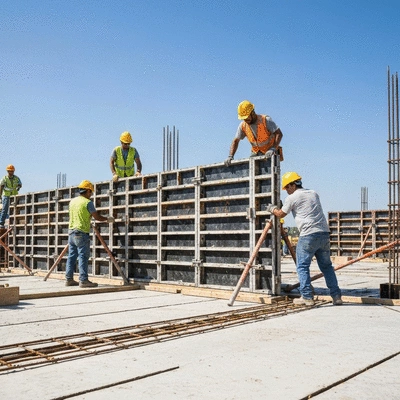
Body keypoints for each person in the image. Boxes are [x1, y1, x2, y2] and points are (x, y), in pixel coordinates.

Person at [267, 171, 342, 306]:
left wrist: (272, 209)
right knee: (327, 267)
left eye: (287, 188)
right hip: (324, 233)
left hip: (308, 235)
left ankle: (307, 297)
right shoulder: (313, 193)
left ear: (292, 185)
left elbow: (281, 214)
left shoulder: (292, 198)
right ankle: (336, 296)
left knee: (302, 266)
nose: (287, 191)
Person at [65, 180, 115, 288]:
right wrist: (107, 219)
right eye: (91, 192)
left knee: (71, 256)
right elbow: (96, 217)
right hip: (82, 232)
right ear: (87, 191)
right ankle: (83, 280)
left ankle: (69, 279)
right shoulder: (88, 202)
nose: (91, 194)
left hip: (71, 232)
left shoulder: (72, 201)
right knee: (83, 256)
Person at [225, 100, 283, 166]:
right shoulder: (243, 125)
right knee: (251, 171)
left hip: (270, 152)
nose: (245, 120)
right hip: (256, 152)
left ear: (252, 113)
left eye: (246, 117)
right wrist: (230, 156)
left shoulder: (265, 120)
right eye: (243, 118)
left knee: (271, 173)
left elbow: (279, 134)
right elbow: (235, 141)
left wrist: (273, 149)